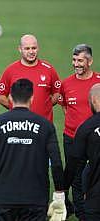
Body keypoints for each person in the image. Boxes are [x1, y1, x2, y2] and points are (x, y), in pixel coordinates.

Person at [0, 79, 65, 221]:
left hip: (3, 198)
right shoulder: (46, 126)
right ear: (32, 98)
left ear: (10, 97)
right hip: (35, 199)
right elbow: (57, 163)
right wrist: (59, 194)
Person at [59, 44, 100, 220]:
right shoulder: (66, 83)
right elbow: (65, 107)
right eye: (74, 60)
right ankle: (82, 214)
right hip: (71, 138)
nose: (76, 64)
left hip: (96, 139)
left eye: (80, 60)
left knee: (94, 174)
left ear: (89, 61)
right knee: (76, 177)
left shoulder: (98, 83)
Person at [0, 34, 61, 122]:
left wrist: (46, 106)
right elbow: (0, 96)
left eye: (34, 48)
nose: (31, 52)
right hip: (19, 125)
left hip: (43, 125)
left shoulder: (48, 69)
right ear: (20, 49)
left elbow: (57, 93)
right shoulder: (10, 70)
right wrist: (15, 107)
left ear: (38, 48)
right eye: (27, 48)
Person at [63, 83, 100, 221]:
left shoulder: (86, 128)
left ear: (93, 100)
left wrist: (63, 189)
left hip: (95, 196)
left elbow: (73, 164)